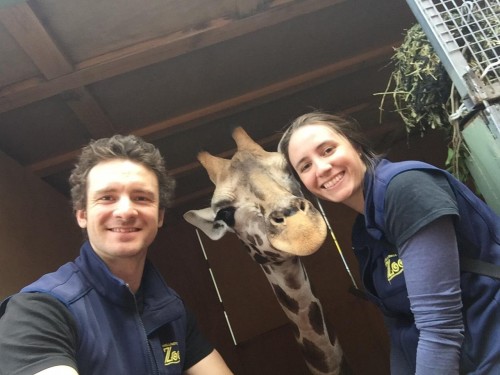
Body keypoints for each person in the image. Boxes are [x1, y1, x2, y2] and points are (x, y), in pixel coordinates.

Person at [278, 112, 500, 374]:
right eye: (305, 166)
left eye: (327, 150)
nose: (321, 168)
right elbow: (400, 330)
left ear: (356, 147)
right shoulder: (364, 234)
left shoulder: (405, 188)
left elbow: (440, 326)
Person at [0, 135, 233, 375]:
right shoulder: (38, 311)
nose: (125, 211)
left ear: (160, 216)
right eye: (106, 197)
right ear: (82, 215)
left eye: (141, 198)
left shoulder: (172, 310)